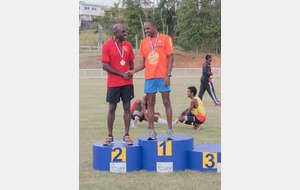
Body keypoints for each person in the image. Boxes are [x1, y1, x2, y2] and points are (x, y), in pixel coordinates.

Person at [128, 18, 174, 140]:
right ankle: (152, 131)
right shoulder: (144, 42)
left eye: (148, 28)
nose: (146, 31)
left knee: (166, 102)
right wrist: (133, 71)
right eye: (145, 29)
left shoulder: (166, 38)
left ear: (154, 26)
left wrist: (168, 75)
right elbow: (144, 63)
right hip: (149, 77)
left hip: (162, 76)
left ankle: (169, 130)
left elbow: (171, 58)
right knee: (151, 104)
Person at [101, 23, 135, 146]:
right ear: (115, 33)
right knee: (112, 108)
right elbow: (105, 65)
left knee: (127, 108)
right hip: (113, 83)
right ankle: (109, 135)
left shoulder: (128, 45)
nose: (125, 34)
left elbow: (131, 63)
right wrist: (121, 73)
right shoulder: (107, 46)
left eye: (125, 31)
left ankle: (126, 135)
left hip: (127, 82)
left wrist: (130, 72)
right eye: (122, 32)